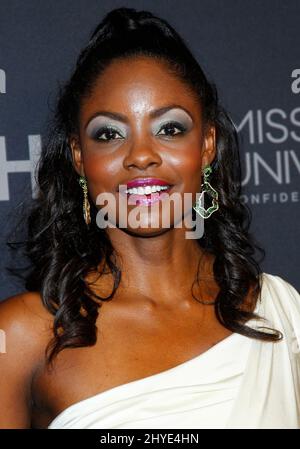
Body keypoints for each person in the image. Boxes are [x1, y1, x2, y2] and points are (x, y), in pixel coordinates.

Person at [0, 7, 299, 430]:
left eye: (170, 128)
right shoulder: (21, 336)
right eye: (109, 134)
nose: (141, 154)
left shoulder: (281, 313)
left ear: (208, 144)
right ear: (79, 158)